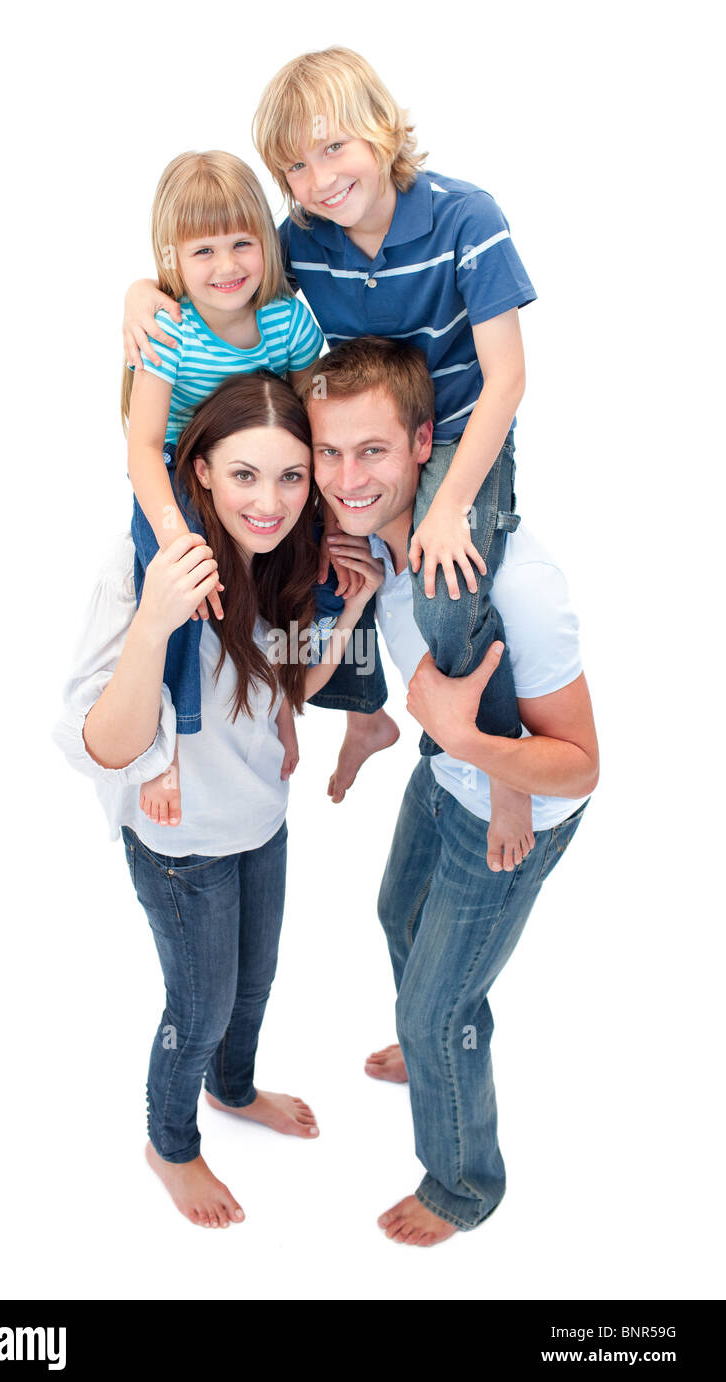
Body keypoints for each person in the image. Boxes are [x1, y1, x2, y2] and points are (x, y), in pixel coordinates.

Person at [122, 46, 537, 870]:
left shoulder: (465, 216)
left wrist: (447, 502)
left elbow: (508, 379)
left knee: (440, 585)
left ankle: (502, 761)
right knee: (317, 568)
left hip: (452, 431)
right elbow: (212, 262)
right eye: (295, 166)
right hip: (340, 443)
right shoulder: (296, 242)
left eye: (334, 148)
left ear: (382, 130)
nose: (318, 179)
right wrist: (141, 293)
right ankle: (345, 710)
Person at [53, 372, 383, 1229]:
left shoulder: (284, 559)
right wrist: (157, 622)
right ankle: (170, 1143)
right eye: (243, 475)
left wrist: (350, 612)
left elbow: (290, 685)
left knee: (254, 983)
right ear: (197, 470)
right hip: (179, 840)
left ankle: (233, 1091)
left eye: (290, 476)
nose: (269, 501)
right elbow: (95, 746)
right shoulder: (143, 567)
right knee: (196, 1008)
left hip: (259, 817)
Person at [293, 337, 599, 1245]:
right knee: (397, 914)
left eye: (373, 450)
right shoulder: (381, 548)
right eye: (330, 452)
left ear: (425, 444)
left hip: (521, 812)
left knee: (439, 1009)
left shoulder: (520, 584)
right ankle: (434, 1045)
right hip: (448, 775)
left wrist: (470, 741)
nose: (347, 478)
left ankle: (463, 1180)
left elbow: (581, 765)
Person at [123, 150, 325, 828]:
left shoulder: (288, 322)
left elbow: (311, 421)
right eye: (203, 249)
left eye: (242, 243)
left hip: (259, 479)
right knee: (176, 588)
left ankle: (294, 708)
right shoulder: (170, 331)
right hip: (183, 476)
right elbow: (144, 445)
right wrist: (177, 536)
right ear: (173, 258)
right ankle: (165, 741)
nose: (227, 265)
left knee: (326, 566)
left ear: (266, 244)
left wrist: (318, 514)